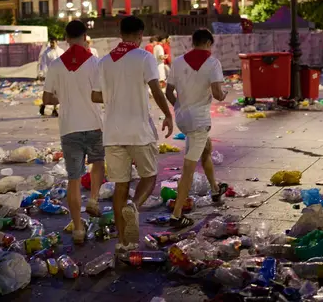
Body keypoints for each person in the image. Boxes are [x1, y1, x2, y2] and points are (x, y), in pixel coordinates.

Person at [91, 16, 173, 252]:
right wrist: (168, 115)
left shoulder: (104, 61)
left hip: (113, 132)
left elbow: (95, 96)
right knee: (149, 176)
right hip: (138, 130)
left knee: (120, 186)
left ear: (120, 33)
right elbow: (156, 89)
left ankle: (122, 243)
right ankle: (135, 206)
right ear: (140, 35)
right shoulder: (144, 57)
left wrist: (116, 94)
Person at [42, 20, 106, 244]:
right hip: (94, 124)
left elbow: (47, 99)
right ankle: (94, 199)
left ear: (66, 39)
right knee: (98, 162)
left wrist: (65, 99)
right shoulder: (95, 63)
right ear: (85, 36)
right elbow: (101, 95)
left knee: (74, 179)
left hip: (69, 128)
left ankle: (78, 228)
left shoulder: (56, 65)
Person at [164, 29, 228, 228]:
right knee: (188, 170)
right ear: (208, 43)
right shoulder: (212, 63)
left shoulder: (177, 62)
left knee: (205, 149)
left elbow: (168, 92)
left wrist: (179, 107)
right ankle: (177, 214)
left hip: (183, 118)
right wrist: (224, 93)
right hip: (199, 120)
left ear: (193, 42)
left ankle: (215, 188)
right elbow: (218, 94)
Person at [38, 39, 64, 117]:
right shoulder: (46, 52)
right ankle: (43, 105)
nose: (52, 44)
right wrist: (42, 73)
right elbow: (43, 64)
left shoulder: (61, 51)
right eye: (51, 42)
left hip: (59, 75)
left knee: (57, 93)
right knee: (49, 93)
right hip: (49, 75)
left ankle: (55, 109)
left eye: (53, 42)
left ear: (57, 42)